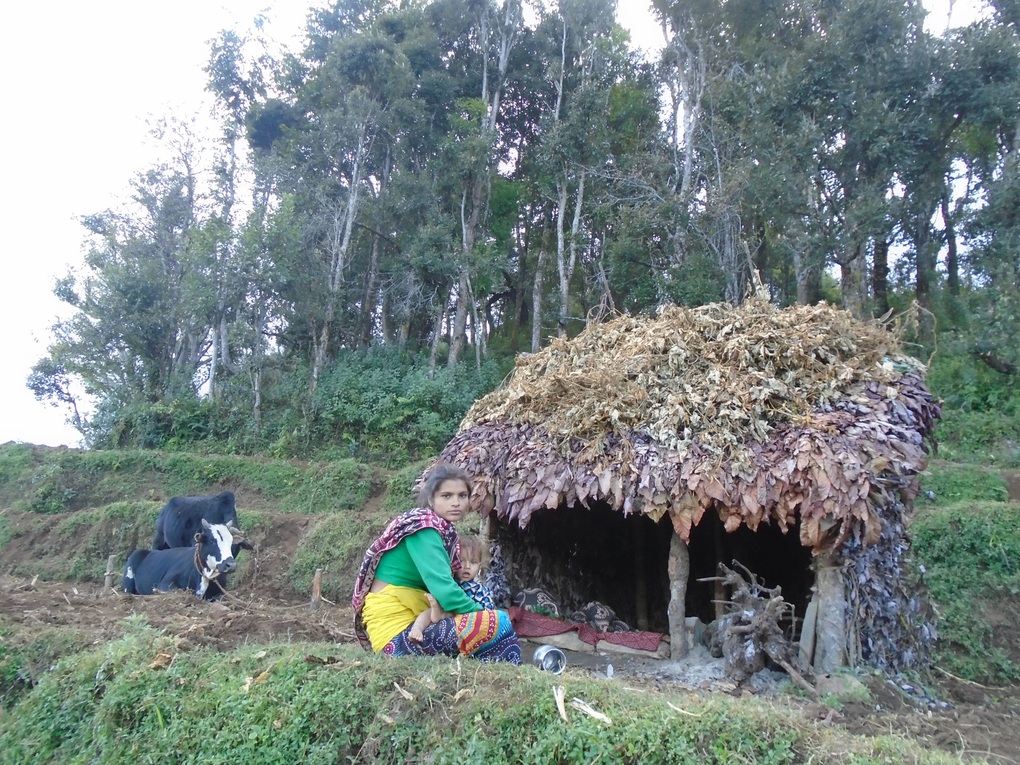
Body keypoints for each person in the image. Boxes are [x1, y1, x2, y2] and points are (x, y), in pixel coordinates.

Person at [352, 464, 521, 663]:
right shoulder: (424, 530)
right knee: (498, 621)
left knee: (499, 633)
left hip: (413, 625)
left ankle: (502, 674)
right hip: (397, 636)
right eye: (446, 496)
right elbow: (446, 592)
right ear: (431, 499)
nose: (456, 503)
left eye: (462, 496)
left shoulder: (440, 531)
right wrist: (483, 613)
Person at [407, 534, 494, 642]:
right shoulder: (447, 583)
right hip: (442, 622)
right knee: (428, 612)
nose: (467, 566)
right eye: (461, 561)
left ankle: (441, 615)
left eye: (473, 562)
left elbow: (488, 614)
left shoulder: (480, 590)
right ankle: (417, 629)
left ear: (479, 565)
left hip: (466, 625)